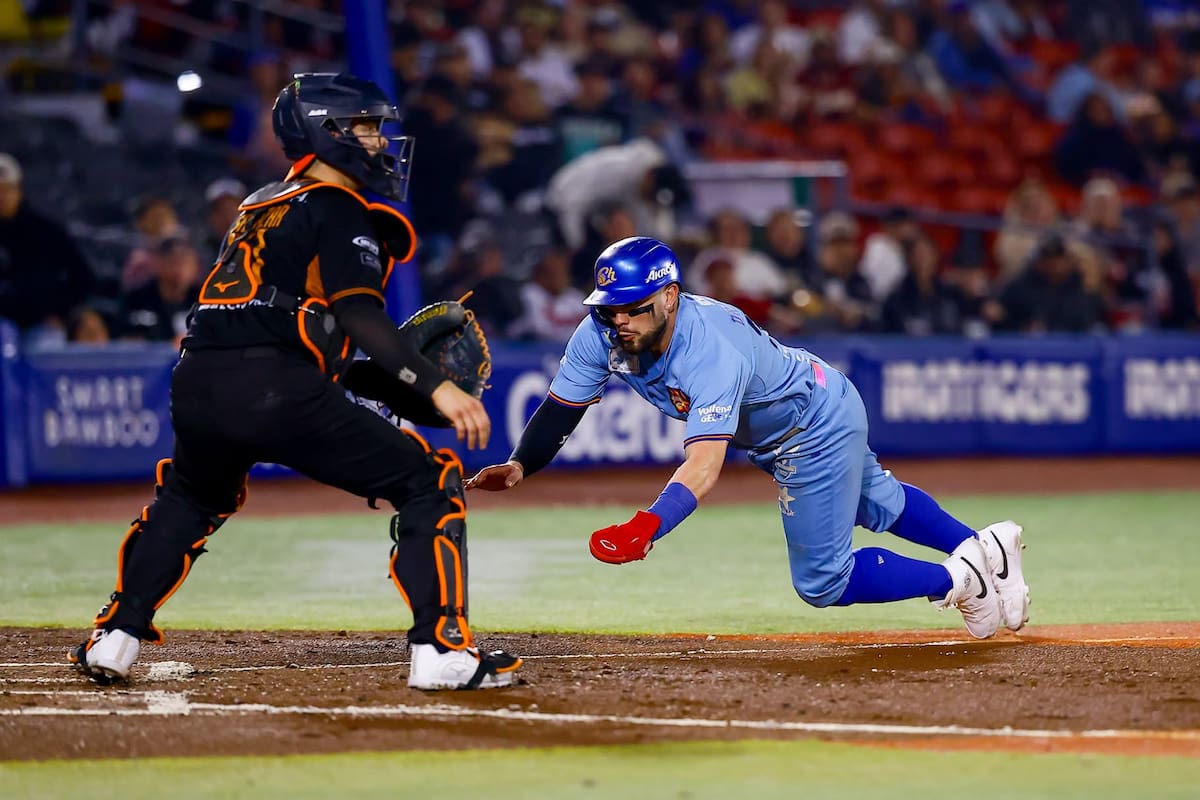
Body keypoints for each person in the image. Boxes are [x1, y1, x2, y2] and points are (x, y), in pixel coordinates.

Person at [69, 73, 522, 691]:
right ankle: (442, 651)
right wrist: (435, 387)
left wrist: (385, 384)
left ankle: (114, 637)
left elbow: (287, 327)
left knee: (192, 498)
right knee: (428, 481)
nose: (377, 143)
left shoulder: (259, 204)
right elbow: (359, 315)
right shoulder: (338, 207)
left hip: (199, 379)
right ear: (323, 132)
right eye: (363, 128)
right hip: (273, 388)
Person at [467, 237, 1030, 641]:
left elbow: (704, 468)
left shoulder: (707, 350)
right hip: (815, 398)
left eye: (634, 308)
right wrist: (520, 465)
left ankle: (960, 578)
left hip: (809, 425)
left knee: (822, 581)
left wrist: (647, 525)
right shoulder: (603, 332)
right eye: (610, 309)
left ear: (669, 297)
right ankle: (989, 547)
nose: (620, 322)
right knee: (875, 501)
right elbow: (561, 408)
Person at [0, 153, 94, 348]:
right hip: (3, 324)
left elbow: (83, 276)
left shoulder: (46, 232)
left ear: (19, 191)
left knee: (46, 347)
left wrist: (62, 312)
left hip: (40, 324)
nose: (2, 197)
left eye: (7, 190)